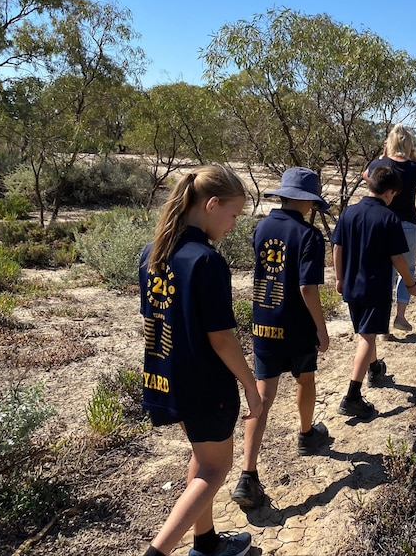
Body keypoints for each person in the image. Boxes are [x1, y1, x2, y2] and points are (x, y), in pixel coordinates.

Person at [139, 163, 262, 556]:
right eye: (233, 215)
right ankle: (157, 552)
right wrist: (250, 385)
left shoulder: (153, 252)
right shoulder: (205, 261)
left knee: (201, 456)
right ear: (211, 204)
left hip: (168, 375)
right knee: (214, 469)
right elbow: (222, 339)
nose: (233, 225)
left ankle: (206, 544)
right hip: (206, 384)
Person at [230, 167, 332, 509]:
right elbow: (307, 286)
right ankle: (306, 435)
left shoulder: (261, 227)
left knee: (261, 398)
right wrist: (321, 328)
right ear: (307, 201)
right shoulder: (310, 236)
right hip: (297, 327)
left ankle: (248, 475)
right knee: (306, 379)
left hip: (264, 324)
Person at [332, 166, 416, 419]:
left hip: (351, 284)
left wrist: (339, 277)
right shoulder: (388, 218)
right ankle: (352, 396)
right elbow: (398, 259)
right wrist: (410, 283)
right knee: (367, 338)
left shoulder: (349, 212)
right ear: (390, 193)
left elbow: (337, 247)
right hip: (375, 287)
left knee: (364, 331)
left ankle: (374, 369)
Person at [362, 123, 416, 332]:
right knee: (407, 270)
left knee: (385, 271)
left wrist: (383, 157)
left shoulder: (380, 165)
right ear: (410, 146)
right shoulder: (414, 168)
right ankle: (400, 316)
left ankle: (382, 321)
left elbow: (366, 176)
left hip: (381, 223)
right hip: (408, 224)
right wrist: (414, 158)